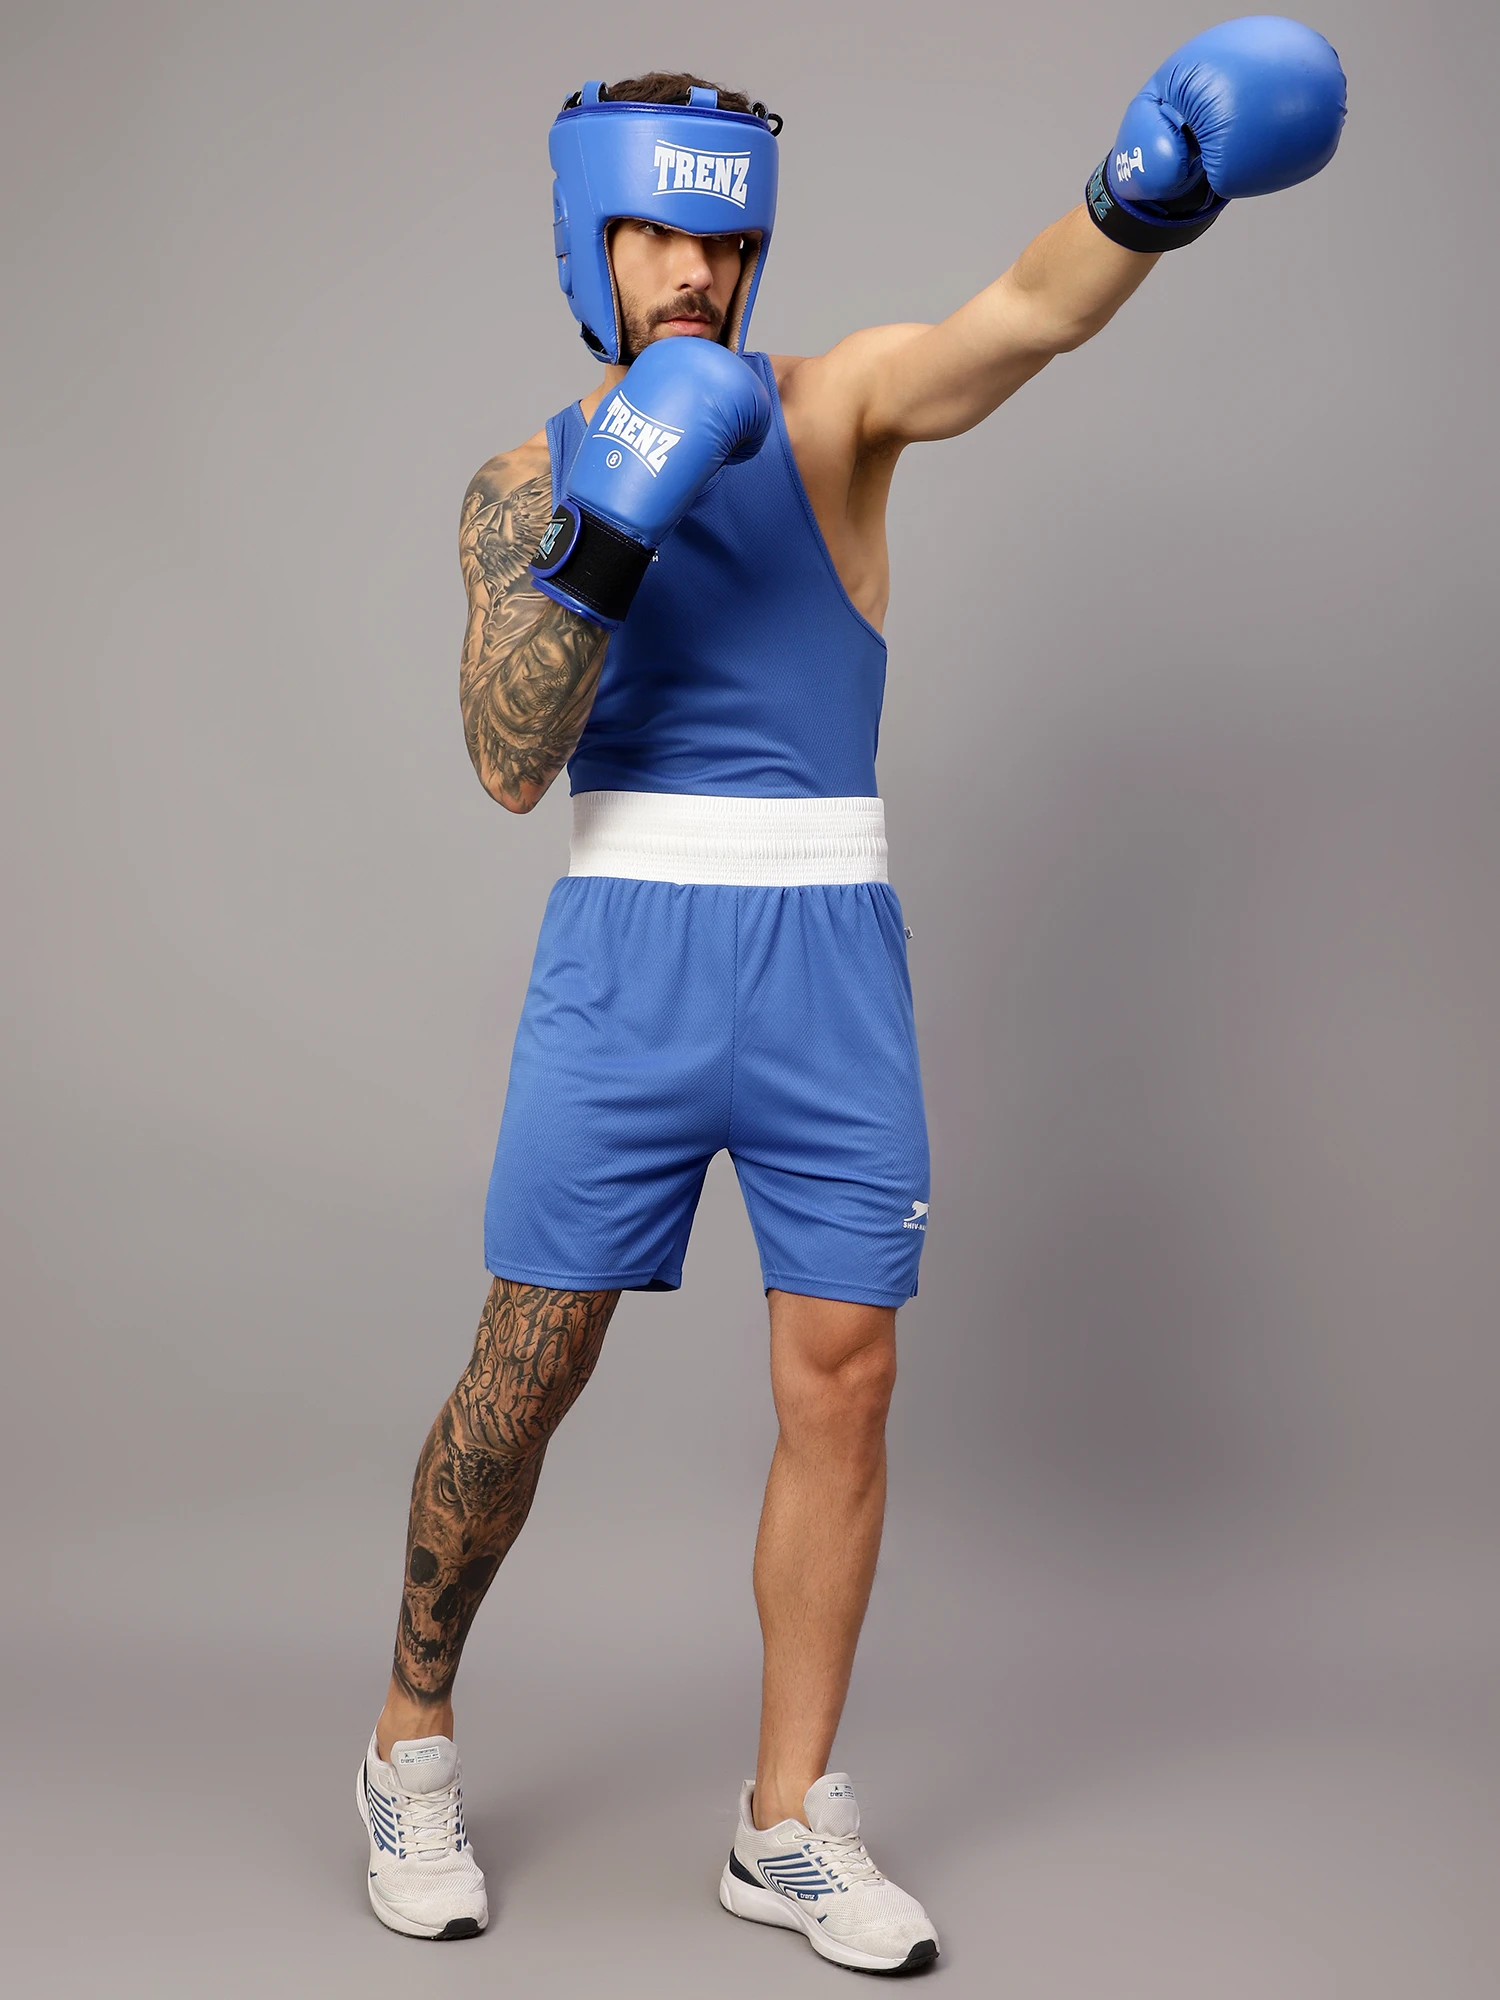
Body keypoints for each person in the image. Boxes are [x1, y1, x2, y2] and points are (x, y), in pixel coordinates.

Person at [356, 23, 1346, 1973]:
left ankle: (787, 1817)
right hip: (627, 959)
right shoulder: (519, 484)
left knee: (847, 1381)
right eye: (661, 239)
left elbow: (1018, 321)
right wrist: (613, 524)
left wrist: (1148, 194)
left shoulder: (838, 414)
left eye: (725, 244)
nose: (699, 276)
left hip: (827, 954)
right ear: (589, 242)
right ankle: (407, 1744)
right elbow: (505, 758)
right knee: (527, 1369)